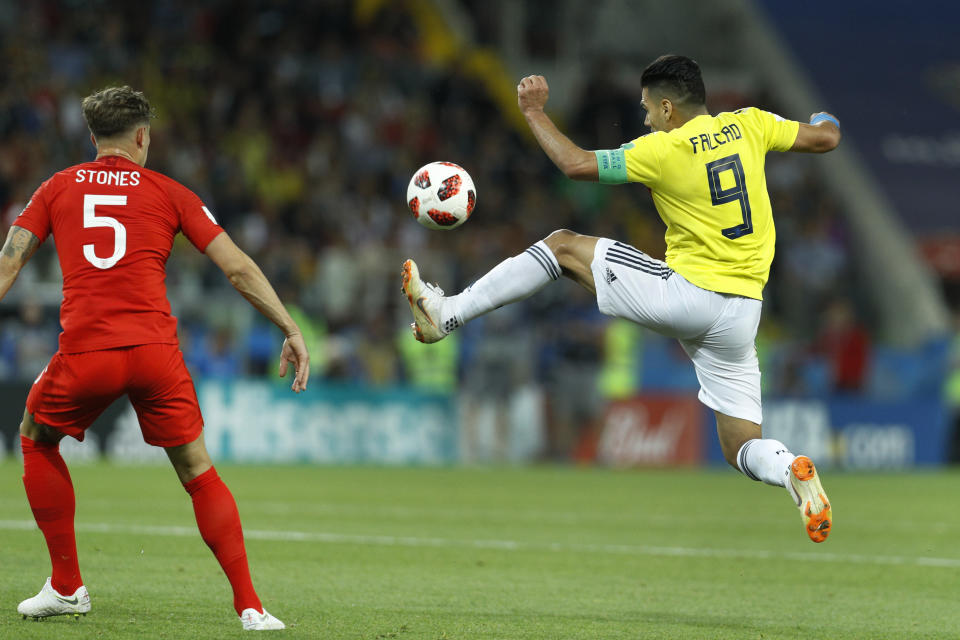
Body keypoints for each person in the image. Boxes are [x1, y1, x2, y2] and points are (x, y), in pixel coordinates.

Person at [401, 55, 840, 543]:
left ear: (669, 108)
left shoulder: (660, 148)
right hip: (744, 313)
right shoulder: (751, 123)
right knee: (741, 445)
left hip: (688, 294)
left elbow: (574, 164)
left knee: (563, 246)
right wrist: (826, 117)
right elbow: (825, 137)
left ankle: (446, 314)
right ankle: (789, 471)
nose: (645, 116)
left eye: (649, 107)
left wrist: (534, 112)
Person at [2, 86, 309, 630]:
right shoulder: (170, 192)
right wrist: (289, 326)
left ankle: (68, 586)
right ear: (142, 136)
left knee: (34, 436)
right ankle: (252, 607)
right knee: (198, 470)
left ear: (93, 137)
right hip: (154, 353)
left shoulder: (56, 188)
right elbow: (236, 267)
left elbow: (9, 263)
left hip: (87, 352)